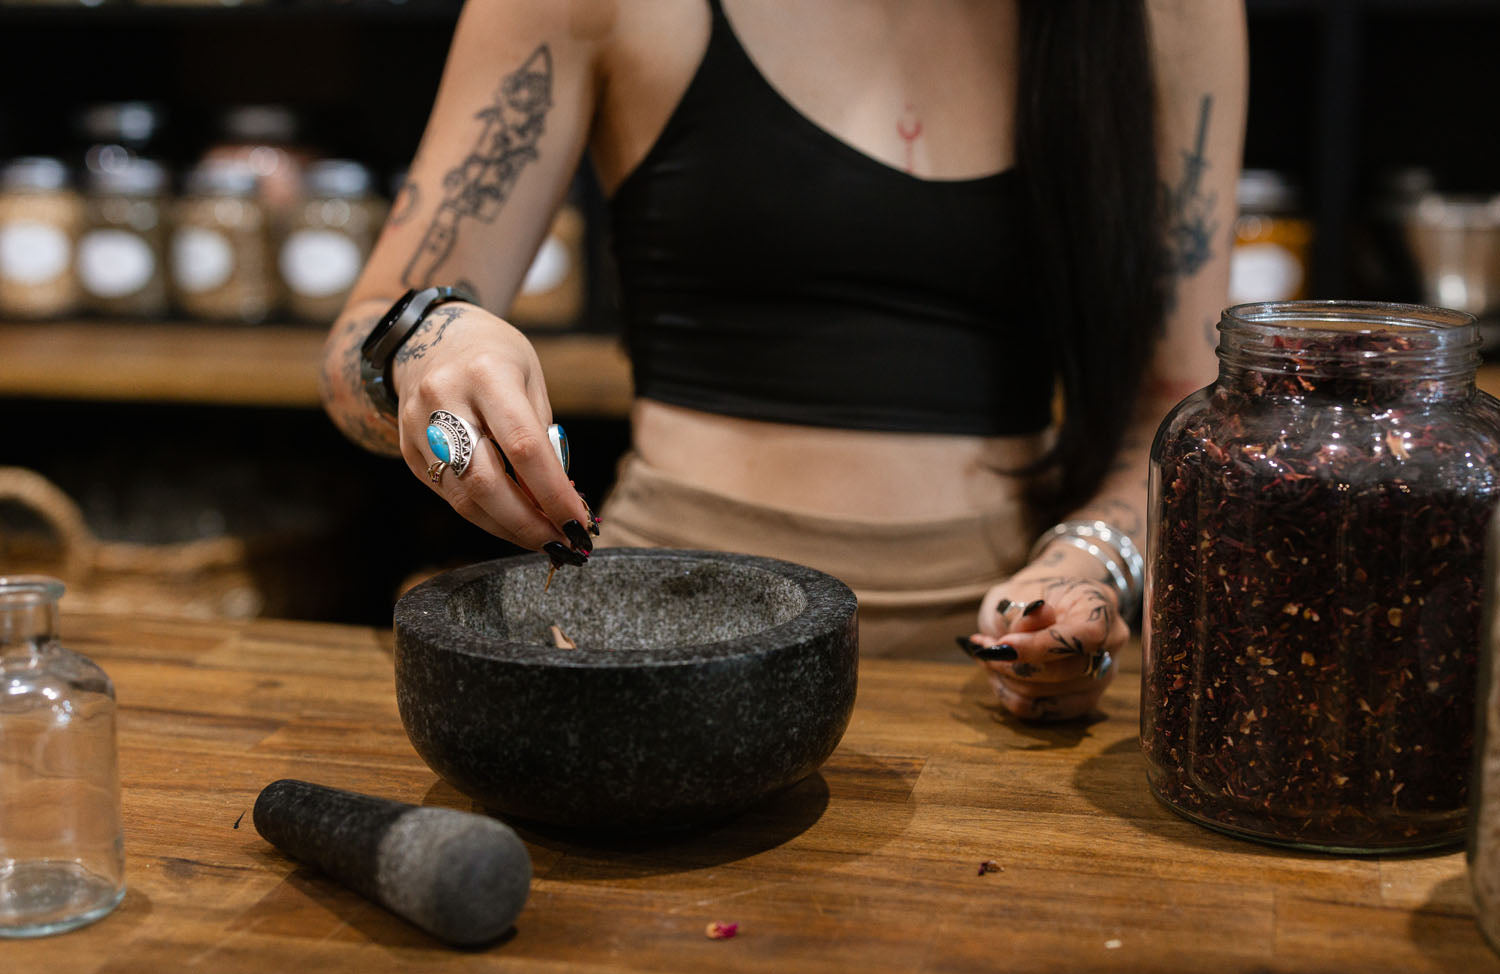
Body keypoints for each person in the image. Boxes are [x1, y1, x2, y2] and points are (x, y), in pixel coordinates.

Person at [320, 0, 1246, 721]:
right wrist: (431, 343)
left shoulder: (1165, 16)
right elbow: (360, 342)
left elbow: (1179, 400)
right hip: (660, 648)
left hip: (997, 673)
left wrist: (1090, 562)